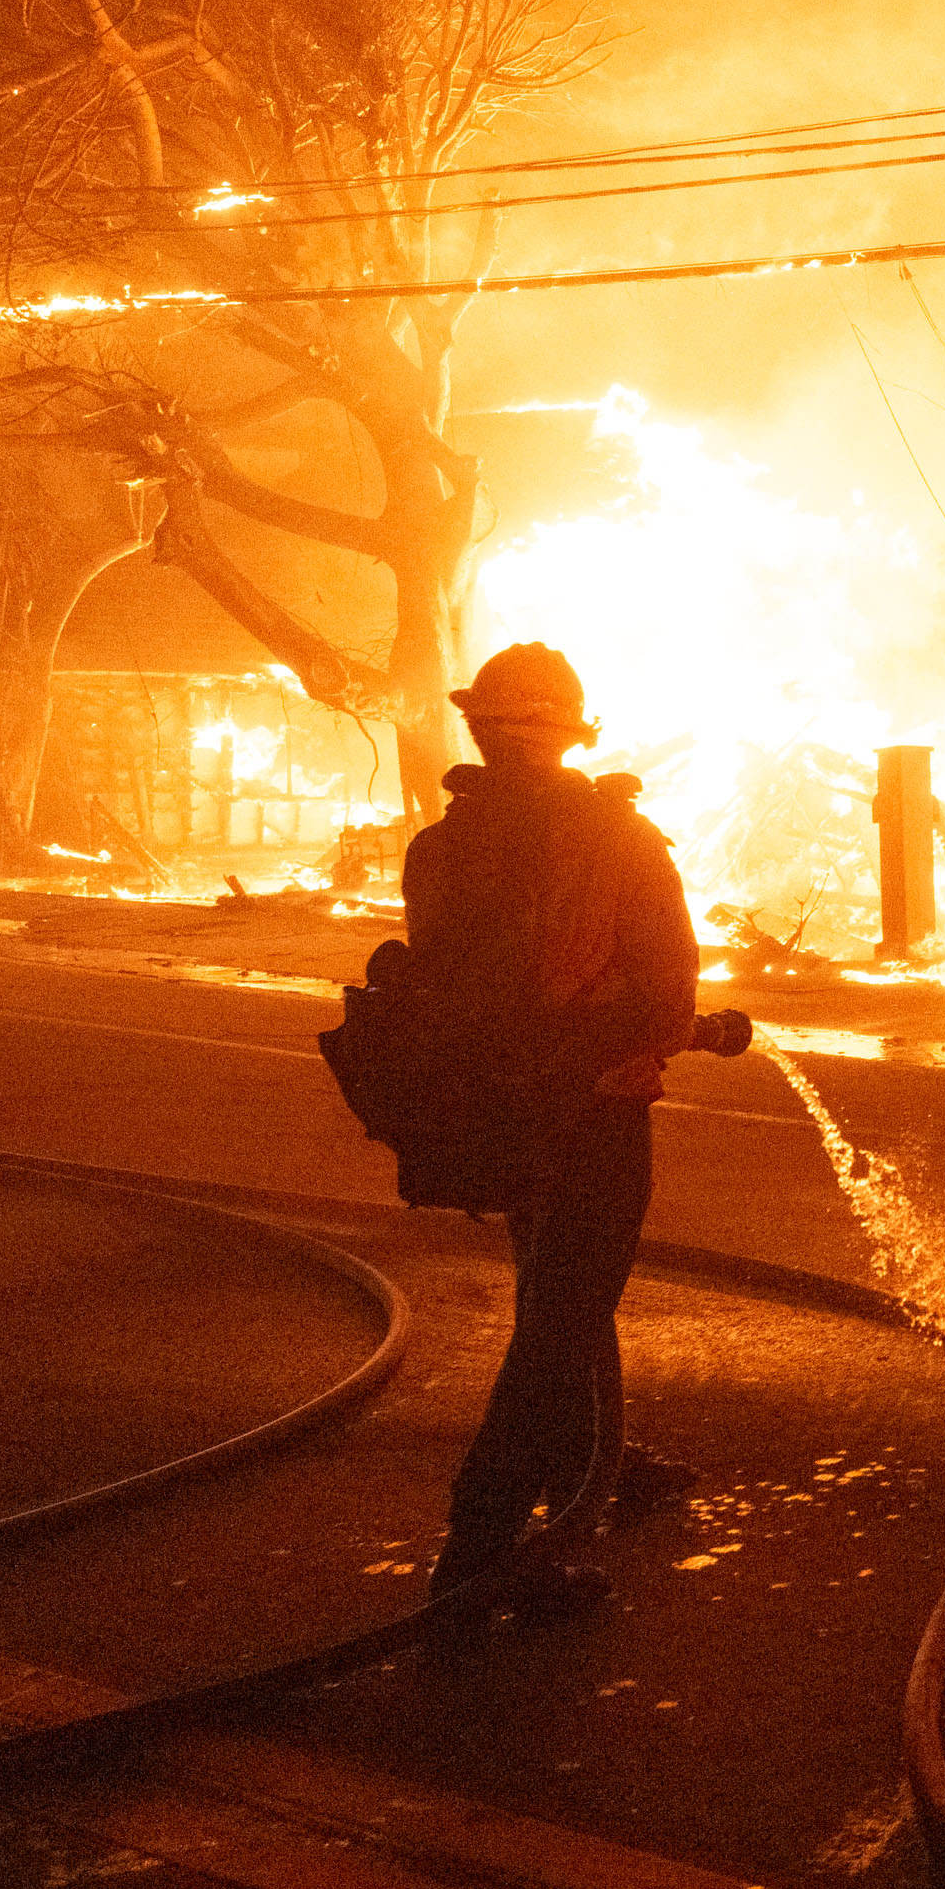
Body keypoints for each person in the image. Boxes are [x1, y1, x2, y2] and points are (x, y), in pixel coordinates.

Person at [408, 642, 703, 1611]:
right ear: (570, 734)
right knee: (560, 1320)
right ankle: (482, 1546)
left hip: (494, 1112)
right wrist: (639, 1036)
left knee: (556, 1292)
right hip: (597, 1116)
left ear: (485, 731)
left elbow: (447, 985)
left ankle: (593, 1459)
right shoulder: (620, 839)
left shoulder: (440, 847)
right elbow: (666, 993)